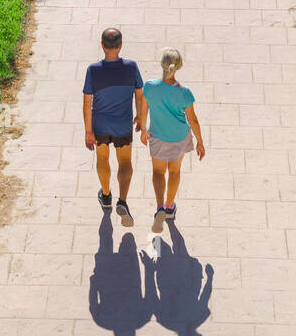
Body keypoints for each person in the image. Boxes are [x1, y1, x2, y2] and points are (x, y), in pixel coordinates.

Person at [139, 48, 205, 232]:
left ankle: (159, 207)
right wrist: (200, 141)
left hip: (158, 136)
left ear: (162, 64)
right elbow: (193, 119)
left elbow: (143, 109)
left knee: (158, 173)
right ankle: (169, 207)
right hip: (179, 137)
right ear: (179, 67)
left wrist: (144, 129)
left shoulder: (150, 86)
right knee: (174, 172)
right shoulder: (184, 93)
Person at [83, 27, 144, 226]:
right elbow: (140, 94)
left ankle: (106, 195)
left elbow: (86, 102)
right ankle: (123, 201)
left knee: (102, 158)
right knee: (125, 162)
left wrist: (88, 131)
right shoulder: (131, 67)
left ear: (102, 45)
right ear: (120, 46)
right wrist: (140, 117)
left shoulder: (93, 70)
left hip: (100, 125)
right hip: (123, 124)